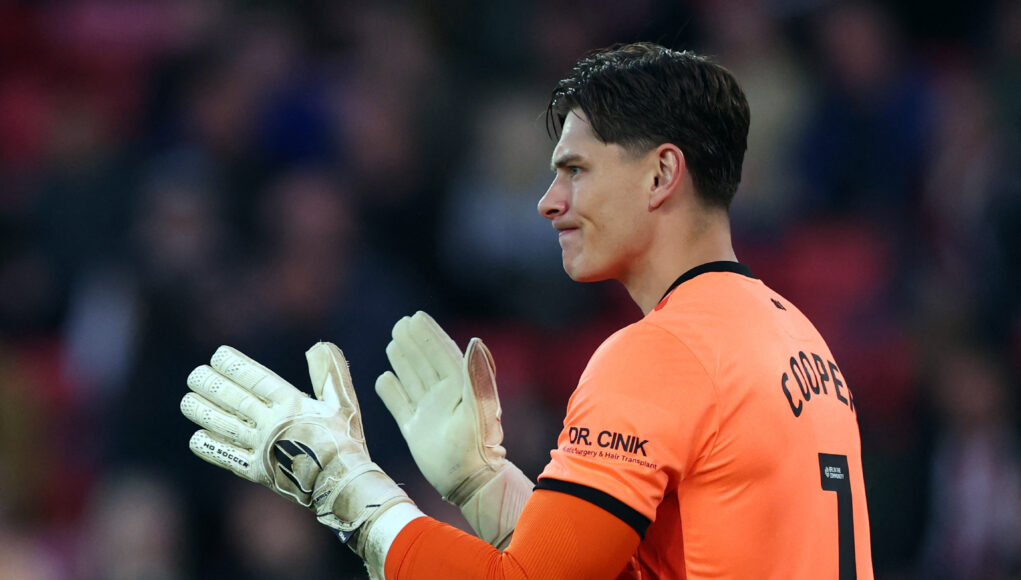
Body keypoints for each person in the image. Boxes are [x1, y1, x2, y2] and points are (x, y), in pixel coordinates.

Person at [180, 42, 874, 579]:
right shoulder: (798, 339)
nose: (548, 201)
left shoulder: (660, 352)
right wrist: (487, 487)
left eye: (575, 170)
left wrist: (348, 489)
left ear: (661, 174)